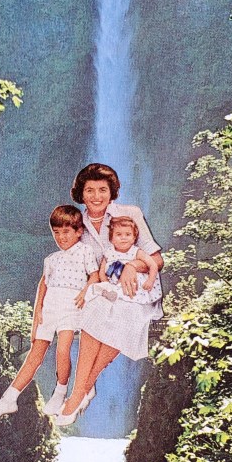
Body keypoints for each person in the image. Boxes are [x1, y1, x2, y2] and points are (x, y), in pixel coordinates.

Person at [56, 164, 164, 426]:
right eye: (89, 190)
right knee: (96, 310)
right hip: (102, 290)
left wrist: (130, 266)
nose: (96, 196)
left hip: (138, 292)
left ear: (112, 192)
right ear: (80, 194)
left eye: (102, 190)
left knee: (122, 315)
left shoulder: (130, 214)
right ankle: (82, 389)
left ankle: (81, 390)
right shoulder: (75, 224)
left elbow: (156, 260)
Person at [0, 206, 99, 419]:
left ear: (79, 231)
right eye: (57, 233)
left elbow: (95, 275)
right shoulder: (51, 259)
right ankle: (8, 399)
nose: (61, 237)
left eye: (66, 232)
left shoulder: (85, 251)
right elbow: (43, 286)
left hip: (71, 307)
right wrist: (36, 317)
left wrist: (85, 291)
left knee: (63, 350)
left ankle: (60, 392)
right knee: (34, 355)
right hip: (49, 308)